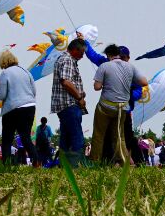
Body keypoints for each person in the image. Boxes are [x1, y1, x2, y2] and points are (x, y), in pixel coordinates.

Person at [92, 46, 146, 164]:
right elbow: (144, 82)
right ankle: (125, 162)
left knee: (99, 135)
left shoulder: (104, 66)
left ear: (108, 55)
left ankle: (95, 162)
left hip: (106, 107)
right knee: (119, 137)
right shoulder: (130, 67)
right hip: (122, 109)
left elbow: (97, 87)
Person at [0, 49, 36, 162]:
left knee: (7, 138)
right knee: (25, 137)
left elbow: (1, 95)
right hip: (30, 106)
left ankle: (6, 163)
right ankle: (36, 160)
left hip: (13, 109)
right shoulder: (26, 71)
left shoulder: (5, 73)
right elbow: (34, 91)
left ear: (2, 62)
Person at [52, 37, 89, 166]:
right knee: (76, 135)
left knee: (66, 137)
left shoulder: (62, 58)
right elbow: (66, 82)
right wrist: (79, 97)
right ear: (74, 50)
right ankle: (76, 164)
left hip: (63, 105)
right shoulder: (68, 60)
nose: (82, 56)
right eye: (81, 53)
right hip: (70, 104)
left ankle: (64, 164)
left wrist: (80, 92)